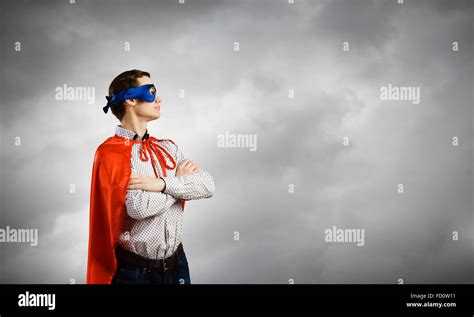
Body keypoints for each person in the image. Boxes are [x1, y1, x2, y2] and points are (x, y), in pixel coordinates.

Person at [86, 69, 215, 284]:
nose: (159, 98)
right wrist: (179, 184)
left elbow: (208, 186)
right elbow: (139, 207)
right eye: (151, 91)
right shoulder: (111, 153)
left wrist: (161, 184)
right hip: (136, 273)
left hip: (177, 265)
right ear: (131, 100)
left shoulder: (168, 148)